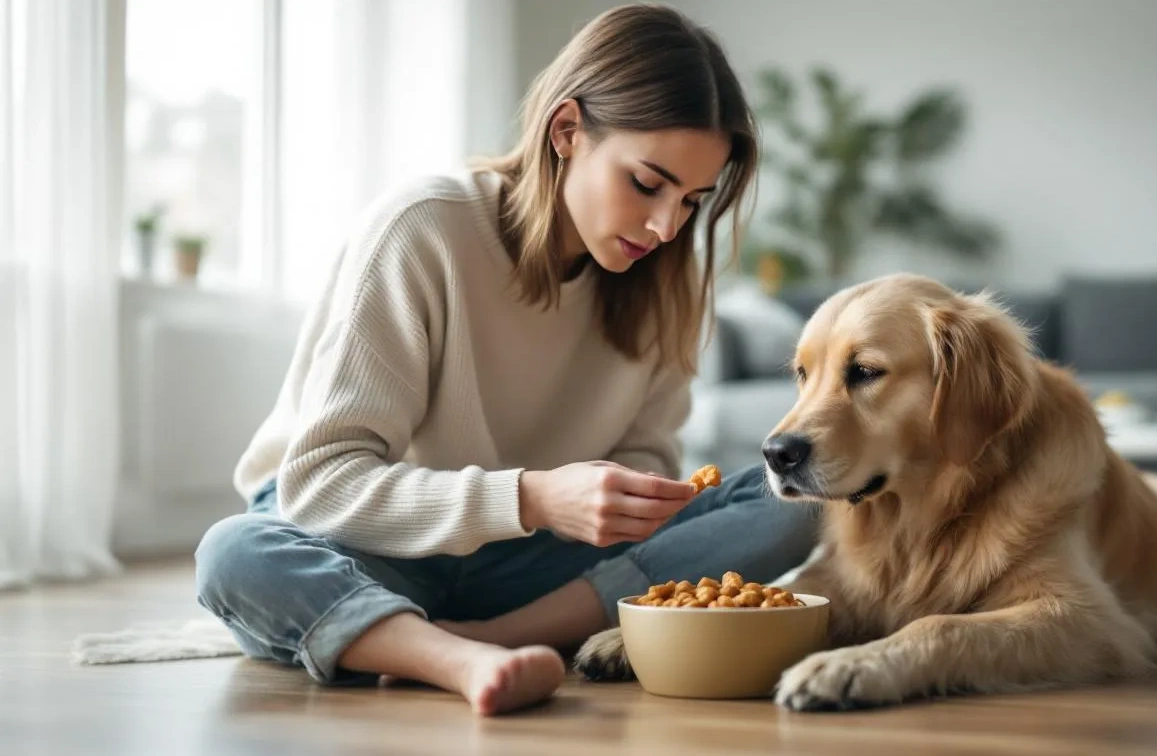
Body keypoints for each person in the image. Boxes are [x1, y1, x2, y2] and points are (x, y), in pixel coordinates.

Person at [193, 4, 818, 717]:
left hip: (527, 570)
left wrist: (630, 498)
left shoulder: (670, 283)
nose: (666, 227)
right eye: (648, 184)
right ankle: (452, 659)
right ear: (567, 131)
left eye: (692, 202)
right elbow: (320, 484)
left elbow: (643, 454)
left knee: (807, 504)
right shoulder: (426, 229)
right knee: (234, 552)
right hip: (372, 544)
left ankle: (477, 639)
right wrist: (533, 497)